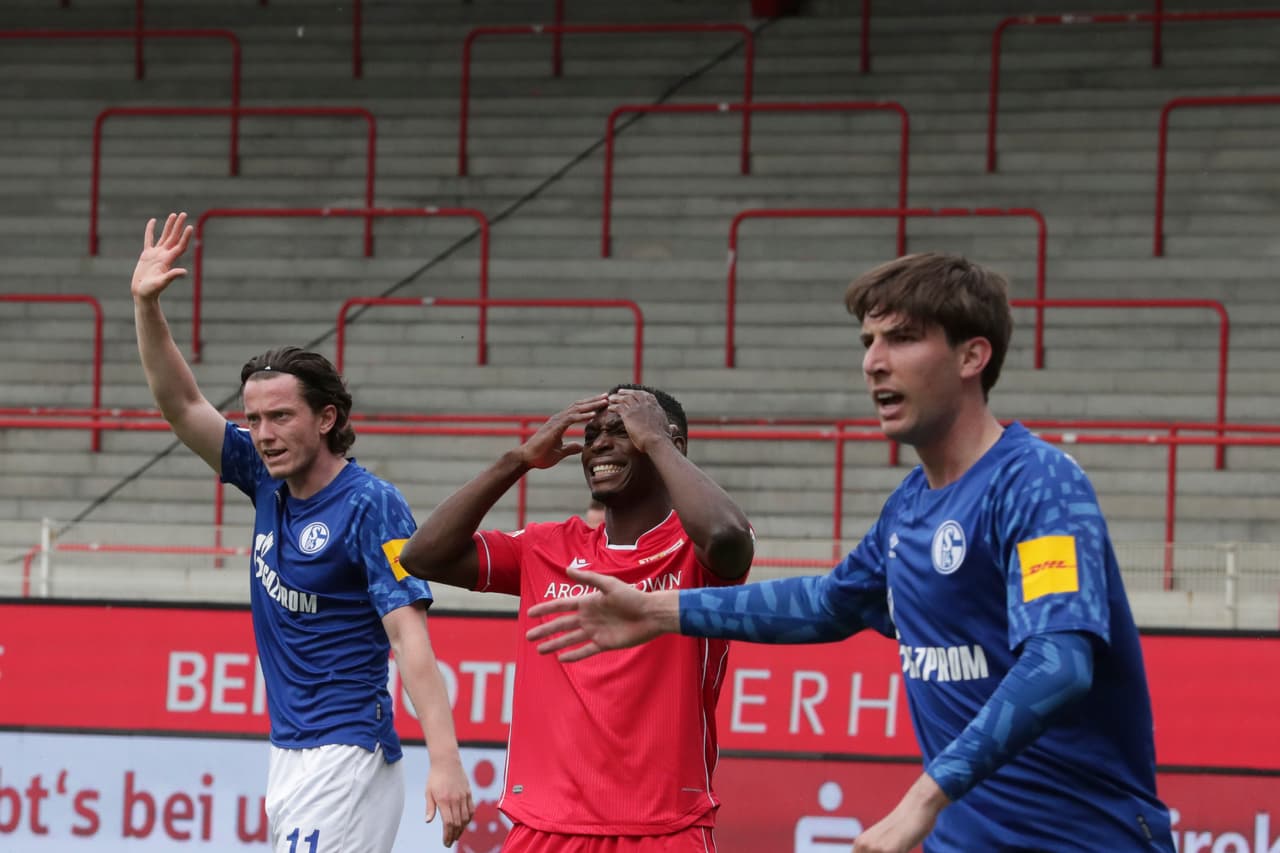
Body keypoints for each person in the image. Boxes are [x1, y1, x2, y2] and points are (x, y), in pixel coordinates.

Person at [527, 253, 1175, 853]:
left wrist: (927, 794)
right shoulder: (910, 508)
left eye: (902, 338)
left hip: (1085, 838)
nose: (874, 361)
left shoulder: (1037, 483)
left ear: (973, 355)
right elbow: (829, 602)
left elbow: (1061, 662)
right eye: (868, 341)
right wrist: (661, 611)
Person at [131, 212, 474, 851]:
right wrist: (145, 305)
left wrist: (447, 759)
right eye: (254, 418)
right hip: (290, 750)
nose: (262, 433)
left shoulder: (372, 504)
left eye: (281, 416)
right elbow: (180, 405)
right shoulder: (264, 476)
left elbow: (410, 640)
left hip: (347, 751)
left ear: (327, 418)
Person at [397, 384, 754, 852]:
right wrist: (518, 460)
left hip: (665, 830)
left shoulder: (698, 551)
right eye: (591, 435)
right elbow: (422, 556)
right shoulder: (547, 547)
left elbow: (730, 535)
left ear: (667, 444)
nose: (598, 444)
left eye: (621, 431)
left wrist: (658, 441)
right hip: (543, 830)